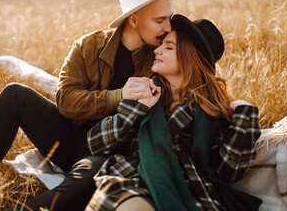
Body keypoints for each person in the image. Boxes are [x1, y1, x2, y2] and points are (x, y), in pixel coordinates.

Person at [0, 0, 187, 211]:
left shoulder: (160, 57)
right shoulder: (89, 46)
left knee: (86, 180)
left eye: (169, 17)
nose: (168, 26)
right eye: (159, 20)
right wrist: (118, 96)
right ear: (133, 19)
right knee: (15, 95)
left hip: (107, 155)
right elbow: (65, 101)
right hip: (68, 138)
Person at [85, 14, 263, 211]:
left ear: (190, 58)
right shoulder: (143, 89)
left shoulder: (211, 108)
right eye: (161, 45)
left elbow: (229, 172)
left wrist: (244, 114)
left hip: (188, 187)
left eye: (168, 47)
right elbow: (97, 144)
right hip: (135, 177)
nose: (157, 50)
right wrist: (138, 108)